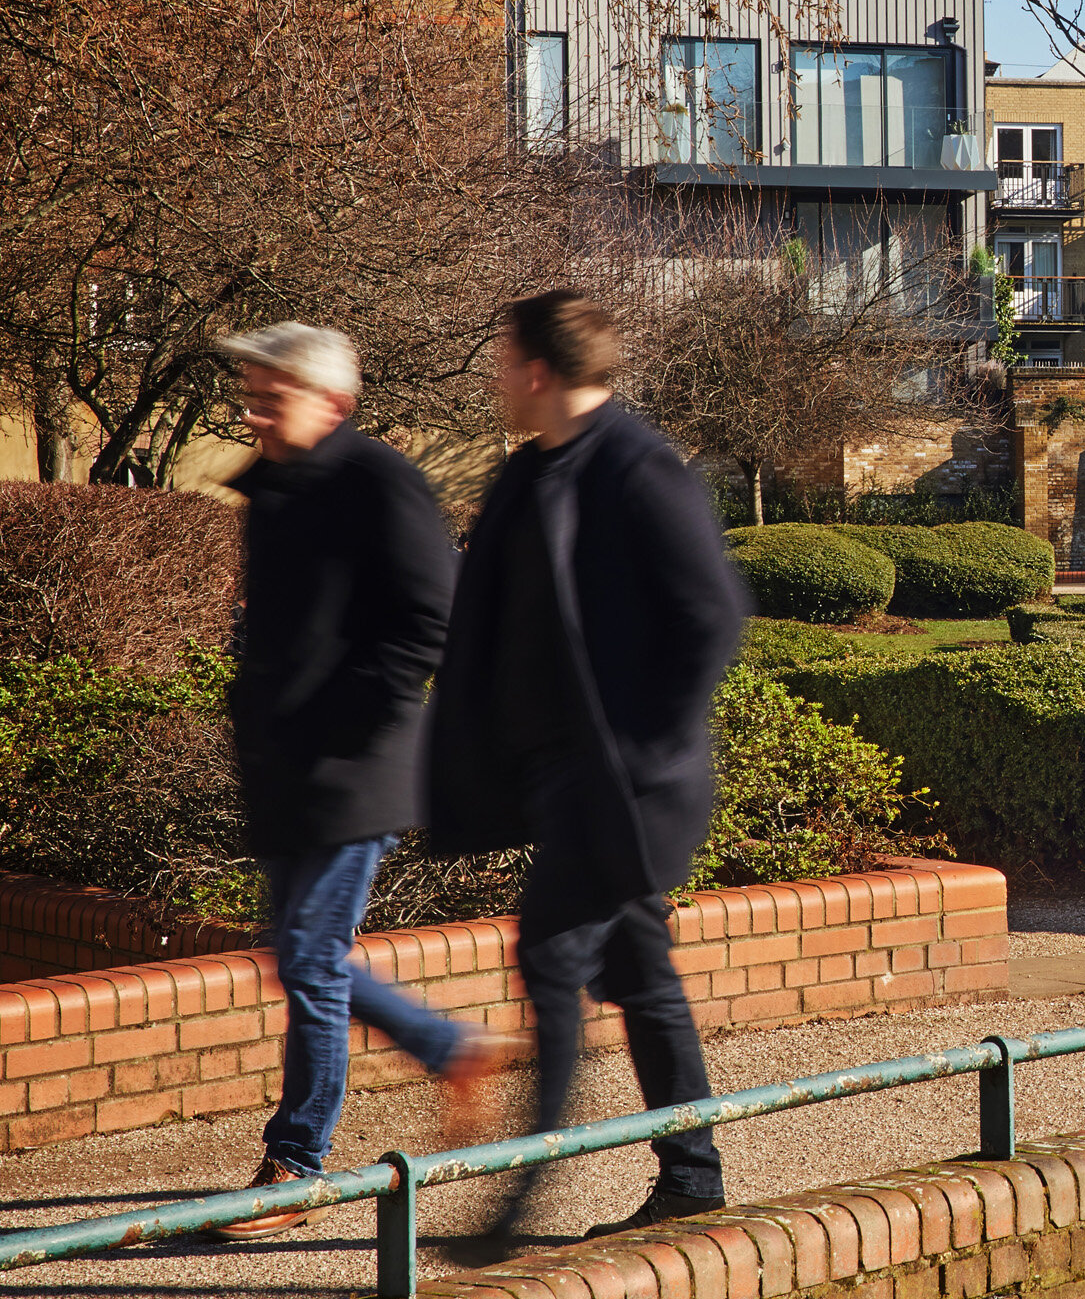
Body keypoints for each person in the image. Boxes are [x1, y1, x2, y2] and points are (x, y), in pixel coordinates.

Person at [426, 290, 747, 1239]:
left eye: (500, 359)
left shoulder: (639, 467)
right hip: (561, 778)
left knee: (549, 950)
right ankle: (692, 1176)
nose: (493, 378)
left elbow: (711, 617)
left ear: (536, 369)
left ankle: (518, 1200)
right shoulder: (531, 476)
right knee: (640, 971)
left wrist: (645, 749)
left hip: (629, 785)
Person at [213, 323, 502, 1239]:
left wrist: (352, 715)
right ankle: (447, 1048)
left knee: (304, 955)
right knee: (302, 958)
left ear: (332, 401)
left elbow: (430, 616)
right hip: (289, 769)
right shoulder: (274, 490)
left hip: (353, 767)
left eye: (273, 391)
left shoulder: (380, 480)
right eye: (252, 390)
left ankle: (297, 1164)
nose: (255, 407)